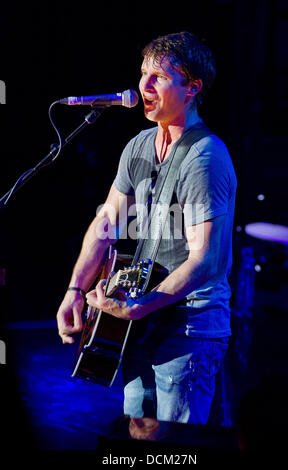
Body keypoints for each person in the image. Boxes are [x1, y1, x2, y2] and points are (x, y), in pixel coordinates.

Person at [56, 31, 237, 424]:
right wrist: (75, 289)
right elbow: (107, 221)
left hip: (188, 330)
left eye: (159, 76)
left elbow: (207, 261)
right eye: (143, 73)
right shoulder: (138, 146)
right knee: (137, 440)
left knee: (176, 446)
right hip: (139, 324)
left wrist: (139, 305)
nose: (144, 85)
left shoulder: (205, 157)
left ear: (192, 87)